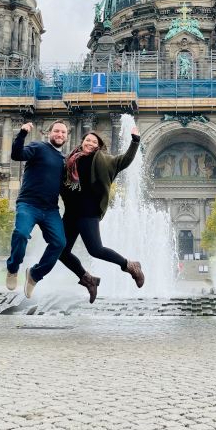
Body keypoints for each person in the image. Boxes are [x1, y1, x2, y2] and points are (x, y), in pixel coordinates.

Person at [59, 125, 145, 303]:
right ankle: (88, 279)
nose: (90, 143)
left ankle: (130, 265)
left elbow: (124, 161)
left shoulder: (102, 160)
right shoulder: (70, 160)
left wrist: (135, 141)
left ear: (98, 145)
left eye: (94, 141)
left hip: (88, 212)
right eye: (87, 140)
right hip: (70, 213)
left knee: (95, 249)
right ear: (82, 142)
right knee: (60, 251)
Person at [6, 120, 68, 298]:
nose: (60, 135)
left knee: (59, 244)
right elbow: (17, 155)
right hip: (28, 204)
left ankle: (34, 275)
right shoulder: (38, 147)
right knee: (21, 233)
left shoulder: (63, 160)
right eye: (56, 131)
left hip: (50, 209)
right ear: (49, 133)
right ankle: (12, 268)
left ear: (66, 136)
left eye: (63, 132)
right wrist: (22, 133)